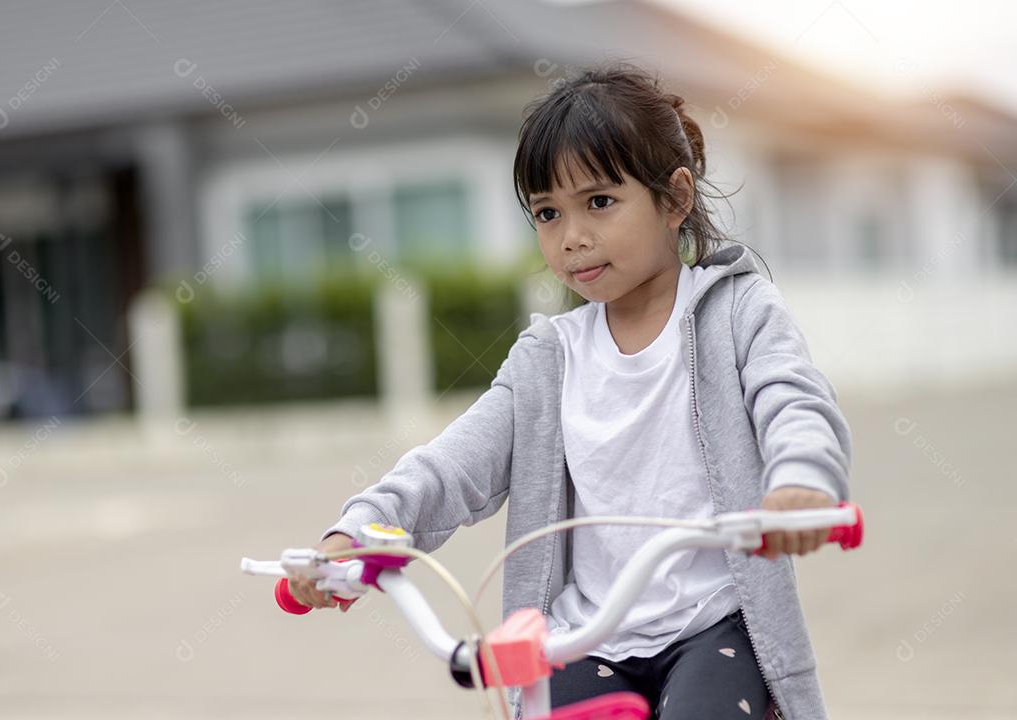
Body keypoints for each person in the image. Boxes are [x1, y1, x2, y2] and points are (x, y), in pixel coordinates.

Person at [293, 62, 852, 720]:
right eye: (547, 213)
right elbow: (454, 463)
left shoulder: (738, 313)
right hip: (585, 638)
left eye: (600, 202)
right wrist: (358, 532)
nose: (572, 237)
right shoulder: (549, 358)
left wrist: (802, 480)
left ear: (675, 199)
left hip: (714, 627)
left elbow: (793, 400)